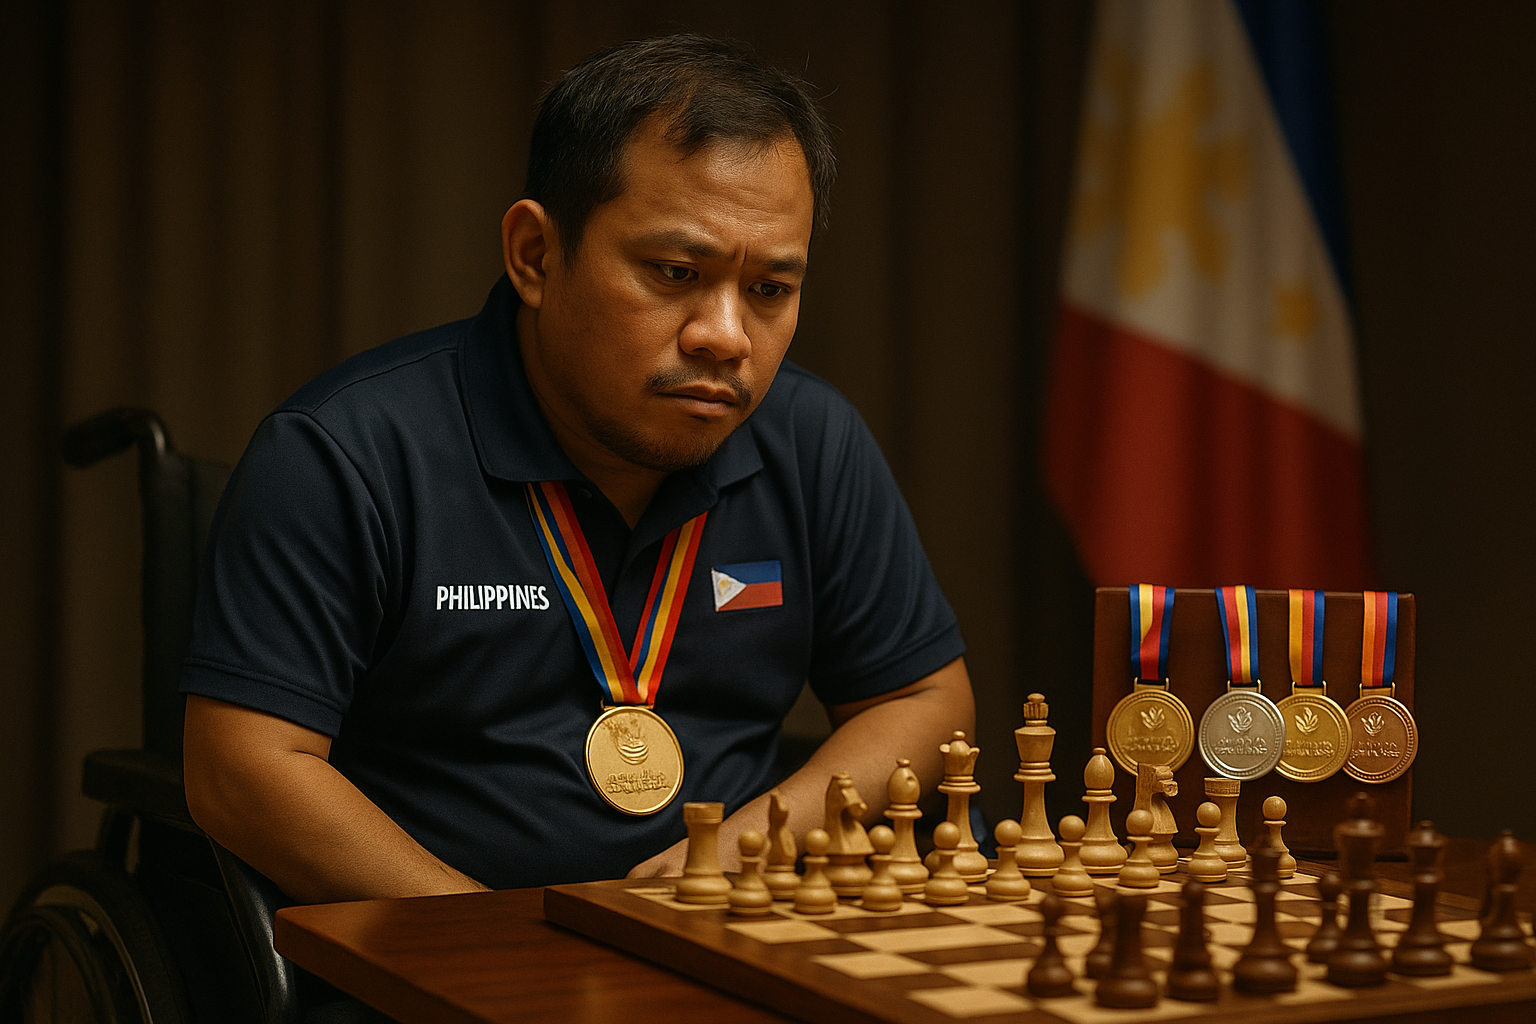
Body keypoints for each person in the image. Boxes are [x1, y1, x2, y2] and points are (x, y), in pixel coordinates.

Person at [181, 33, 974, 904]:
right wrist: (495, 947)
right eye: (676, 271)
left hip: (722, 930)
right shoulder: (345, 451)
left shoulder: (811, 438)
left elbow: (927, 699)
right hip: (431, 955)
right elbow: (243, 769)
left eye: (769, 290)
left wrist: (763, 839)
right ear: (535, 255)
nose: (726, 336)